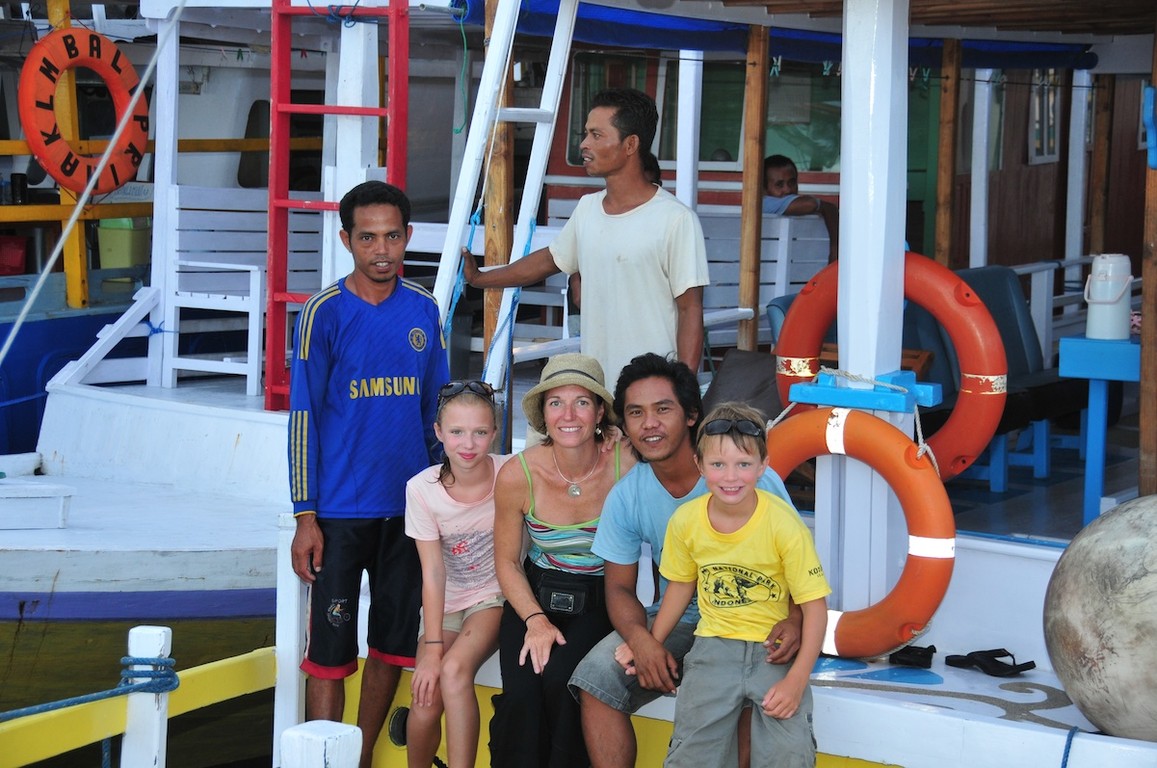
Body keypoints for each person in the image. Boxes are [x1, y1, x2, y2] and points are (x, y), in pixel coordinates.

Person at [568, 353, 803, 768]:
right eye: (636, 413)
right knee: (595, 680)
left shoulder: (745, 477)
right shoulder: (628, 494)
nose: (649, 424)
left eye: (663, 409)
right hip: (680, 618)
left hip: (754, 619)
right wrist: (642, 641)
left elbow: (799, 568)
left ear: (692, 414)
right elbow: (618, 588)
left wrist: (795, 620)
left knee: (744, 694)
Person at [288, 180, 449, 768]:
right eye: (367, 238)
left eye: (392, 236)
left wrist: (447, 499)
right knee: (329, 655)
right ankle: (323, 761)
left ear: (408, 236)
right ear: (346, 240)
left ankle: (356, 759)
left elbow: (439, 413)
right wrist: (305, 515)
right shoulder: (323, 313)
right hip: (339, 513)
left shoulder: (424, 309)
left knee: (390, 647)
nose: (381, 250)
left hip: (408, 514)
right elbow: (303, 418)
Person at [462, 88, 709, 382]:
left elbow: (690, 310)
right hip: (598, 389)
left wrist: (682, 390)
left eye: (596, 135)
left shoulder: (676, 219)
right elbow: (549, 260)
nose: (584, 144)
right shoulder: (587, 208)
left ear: (630, 144)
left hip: (652, 392)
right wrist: (480, 278)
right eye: (586, 134)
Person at [648, 401, 831, 768]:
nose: (730, 477)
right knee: (692, 755)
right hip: (713, 646)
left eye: (743, 464)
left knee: (789, 754)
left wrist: (797, 681)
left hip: (773, 652)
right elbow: (680, 587)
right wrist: (652, 643)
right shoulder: (685, 521)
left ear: (763, 466)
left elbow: (815, 609)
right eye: (718, 464)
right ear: (700, 465)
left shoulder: (784, 524)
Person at [490, 353, 638, 767]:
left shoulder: (626, 463)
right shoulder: (518, 474)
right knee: (522, 695)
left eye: (582, 402)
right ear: (544, 413)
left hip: (603, 594)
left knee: (564, 682)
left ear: (600, 413)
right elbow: (507, 562)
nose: (568, 415)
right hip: (534, 594)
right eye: (556, 402)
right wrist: (535, 620)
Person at [404, 380, 509, 768]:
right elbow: (433, 572)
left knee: (453, 670)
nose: (468, 444)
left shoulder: (511, 472)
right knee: (425, 696)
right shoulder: (421, 489)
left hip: (492, 595)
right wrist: (431, 648)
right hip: (446, 602)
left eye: (480, 432)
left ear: (494, 433)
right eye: (457, 432)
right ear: (438, 432)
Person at [762, 154, 839, 263]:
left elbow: (831, 208)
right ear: (764, 189)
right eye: (779, 185)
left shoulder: (793, 204)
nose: (788, 190)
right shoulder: (765, 203)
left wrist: (834, 249)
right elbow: (811, 204)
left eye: (792, 182)